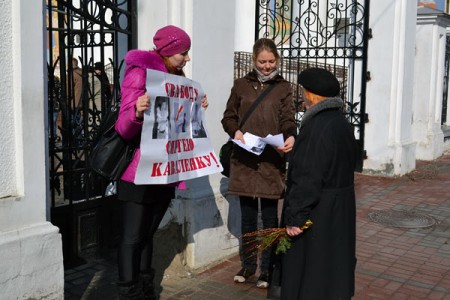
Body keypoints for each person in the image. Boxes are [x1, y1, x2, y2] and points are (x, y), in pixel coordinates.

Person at [114, 25, 208, 299]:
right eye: (183, 53)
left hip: (164, 170)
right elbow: (123, 127)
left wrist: (196, 108)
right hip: (138, 172)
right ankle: (128, 292)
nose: (187, 58)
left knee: (147, 234)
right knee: (132, 236)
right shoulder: (140, 73)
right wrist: (137, 112)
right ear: (168, 51)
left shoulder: (178, 77)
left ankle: (146, 288)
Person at [221, 38, 297, 289]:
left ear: (278, 60)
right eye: (262, 61)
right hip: (244, 161)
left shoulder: (284, 87)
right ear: (254, 60)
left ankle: (267, 269)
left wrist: (290, 135)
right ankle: (248, 265)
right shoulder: (241, 85)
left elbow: (288, 117)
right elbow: (228, 116)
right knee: (248, 219)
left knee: (269, 219)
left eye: (271, 61)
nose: (266, 66)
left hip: (270, 162)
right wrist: (236, 132)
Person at [280, 68, 358, 300]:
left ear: (312, 96)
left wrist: (295, 217)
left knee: (311, 269)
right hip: (340, 208)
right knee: (333, 265)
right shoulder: (342, 123)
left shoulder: (316, 127)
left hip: (318, 210)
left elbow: (307, 176)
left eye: (304, 92)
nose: (302, 98)